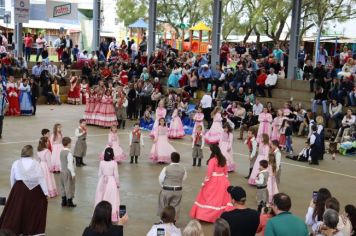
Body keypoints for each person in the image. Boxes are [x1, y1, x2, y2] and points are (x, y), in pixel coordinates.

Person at [0, 145, 48, 235]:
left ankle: (17, 229)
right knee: (32, 210)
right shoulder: (36, 163)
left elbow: (12, 177)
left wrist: (14, 190)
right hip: (34, 190)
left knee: (18, 210)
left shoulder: (16, 163)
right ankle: (33, 229)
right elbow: (41, 178)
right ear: (31, 153)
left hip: (19, 189)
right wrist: (45, 192)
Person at [190, 145, 232, 223]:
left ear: (213, 151)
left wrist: (204, 182)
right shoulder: (223, 159)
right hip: (223, 181)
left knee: (208, 197)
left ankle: (205, 216)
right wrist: (226, 181)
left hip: (213, 180)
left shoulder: (212, 160)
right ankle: (219, 215)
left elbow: (209, 173)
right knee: (220, 199)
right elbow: (226, 173)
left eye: (210, 150)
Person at [158, 152, 187, 219]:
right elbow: (184, 178)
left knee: (164, 206)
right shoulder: (183, 169)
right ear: (179, 159)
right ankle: (172, 220)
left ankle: (164, 219)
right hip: (178, 190)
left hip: (167, 189)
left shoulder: (166, 168)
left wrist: (163, 186)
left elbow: (160, 179)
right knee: (175, 206)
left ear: (171, 159)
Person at [94, 148, 120, 222]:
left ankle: (100, 215)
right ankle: (112, 215)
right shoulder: (114, 163)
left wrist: (102, 180)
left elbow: (99, 174)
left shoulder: (101, 163)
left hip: (102, 181)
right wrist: (117, 184)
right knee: (111, 199)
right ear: (112, 154)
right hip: (111, 182)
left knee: (101, 198)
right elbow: (116, 175)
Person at [59, 137, 76, 207]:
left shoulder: (61, 152)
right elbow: (70, 165)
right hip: (68, 172)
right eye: (70, 143)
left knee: (62, 186)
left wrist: (61, 169)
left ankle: (63, 201)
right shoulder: (69, 153)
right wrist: (73, 173)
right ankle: (70, 202)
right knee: (69, 186)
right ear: (68, 144)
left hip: (62, 171)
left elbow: (60, 162)